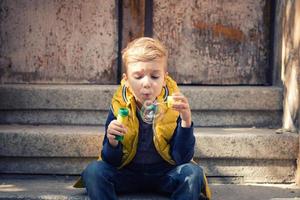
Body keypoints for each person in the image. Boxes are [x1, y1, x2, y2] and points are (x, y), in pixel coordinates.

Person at [74, 37, 211, 200]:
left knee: (193, 173)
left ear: (164, 78)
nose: (146, 83)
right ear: (126, 80)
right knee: (94, 171)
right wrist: (112, 141)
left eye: (154, 76)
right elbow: (111, 160)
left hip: (165, 174)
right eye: (138, 77)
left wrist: (186, 121)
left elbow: (182, 158)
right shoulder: (120, 106)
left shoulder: (173, 106)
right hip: (127, 173)